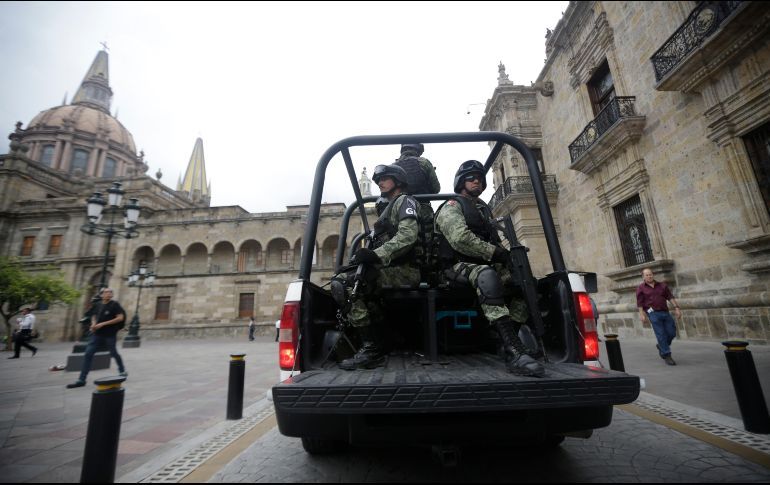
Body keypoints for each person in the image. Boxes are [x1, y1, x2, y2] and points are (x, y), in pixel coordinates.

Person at [434, 160, 545, 377]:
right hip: (454, 267)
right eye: (471, 177)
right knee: (487, 276)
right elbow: (459, 239)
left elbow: (495, 241)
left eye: (480, 178)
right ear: (461, 182)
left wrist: (509, 259)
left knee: (524, 282)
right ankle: (515, 351)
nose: (477, 180)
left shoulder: (483, 211)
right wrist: (496, 254)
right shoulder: (452, 206)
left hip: (484, 264)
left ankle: (506, 339)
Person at [331, 163, 422, 370]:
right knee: (346, 279)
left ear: (397, 181)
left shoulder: (404, 202)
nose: (380, 182)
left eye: (384, 178)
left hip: (406, 270)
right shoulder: (389, 208)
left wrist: (375, 255)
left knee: (347, 285)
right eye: (378, 180)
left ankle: (371, 350)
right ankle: (381, 343)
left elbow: (408, 236)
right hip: (390, 269)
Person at [394, 143, 440, 280]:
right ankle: (428, 273)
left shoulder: (393, 166)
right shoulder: (424, 163)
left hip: (400, 210)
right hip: (423, 210)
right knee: (429, 245)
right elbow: (436, 189)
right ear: (418, 150)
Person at [67, 288, 128, 388]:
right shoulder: (97, 304)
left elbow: (120, 318)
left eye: (110, 292)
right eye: (106, 292)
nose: (109, 293)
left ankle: (122, 370)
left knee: (113, 353)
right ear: (101, 295)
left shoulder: (114, 304)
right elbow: (94, 316)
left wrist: (103, 324)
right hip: (97, 334)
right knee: (88, 354)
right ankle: (81, 380)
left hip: (110, 334)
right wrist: (93, 324)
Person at [636, 268, 682, 366]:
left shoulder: (662, 285)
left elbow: (670, 297)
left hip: (665, 312)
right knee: (660, 334)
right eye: (647, 275)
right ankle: (667, 355)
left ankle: (661, 346)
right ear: (643, 277)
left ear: (653, 275)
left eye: (651, 274)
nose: (649, 276)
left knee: (672, 332)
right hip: (653, 313)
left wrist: (677, 308)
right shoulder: (641, 288)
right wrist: (642, 314)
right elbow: (640, 303)